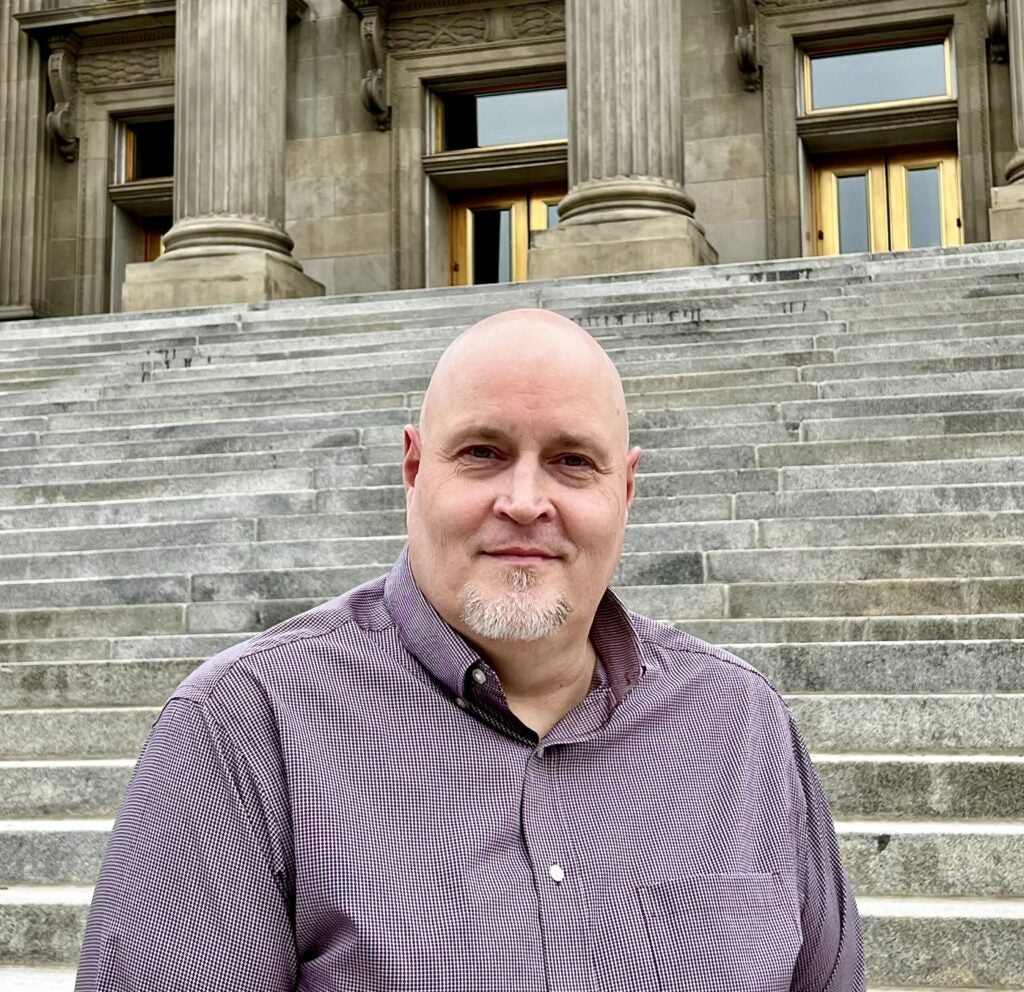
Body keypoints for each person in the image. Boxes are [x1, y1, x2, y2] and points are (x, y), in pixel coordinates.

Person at [76, 308, 865, 992]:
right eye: (482, 453)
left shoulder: (740, 726)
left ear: (624, 491)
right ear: (415, 468)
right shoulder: (245, 727)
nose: (525, 503)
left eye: (571, 461)